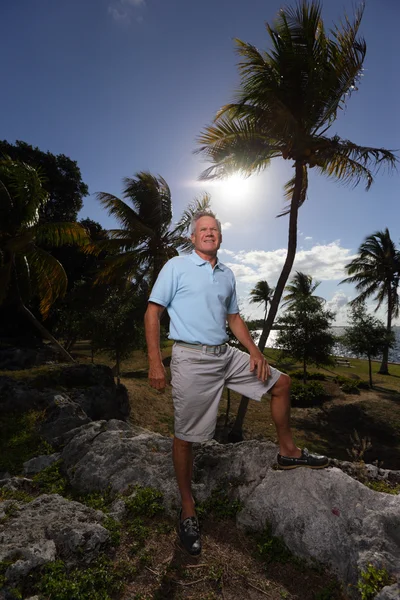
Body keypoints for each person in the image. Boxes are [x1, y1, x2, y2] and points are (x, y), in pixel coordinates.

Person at [144, 210, 329, 555]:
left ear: (221, 237)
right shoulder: (176, 267)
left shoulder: (227, 274)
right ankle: (187, 509)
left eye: (214, 229)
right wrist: (155, 361)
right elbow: (152, 312)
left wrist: (255, 351)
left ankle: (289, 453)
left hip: (225, 355)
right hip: (192, 359)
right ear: (192, 236)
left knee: (282, 383)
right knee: (185, 436)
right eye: (203, 229)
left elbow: (233, 317)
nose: (209, 233)